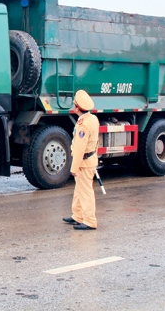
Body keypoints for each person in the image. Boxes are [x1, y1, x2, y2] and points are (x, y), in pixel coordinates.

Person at [63, 90, 100, 230]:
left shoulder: (83, 124)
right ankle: (78, 215)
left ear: (78, 108)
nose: (73, 106)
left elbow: (79, 148)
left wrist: (74, 168)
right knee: (80, 190)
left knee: (85, 191)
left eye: (75, 104)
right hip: (89, 160)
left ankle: (90, 220)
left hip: (84, 162)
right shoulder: (92, 119)